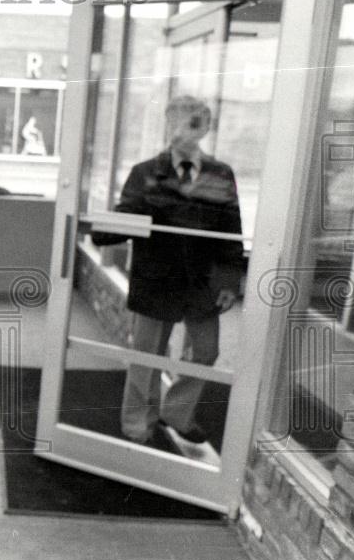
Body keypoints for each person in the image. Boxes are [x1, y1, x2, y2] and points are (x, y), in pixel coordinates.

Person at [91, 95, 245, 446]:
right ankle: (136, 424)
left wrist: (229, 280)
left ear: (206, 128)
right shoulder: (146, 172)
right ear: (168, 123)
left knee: (205, 352)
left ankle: (176, 413)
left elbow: (231, 229)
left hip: (201, 282)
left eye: (197, 123)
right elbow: (125, 216)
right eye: (182, 121)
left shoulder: (221, 174)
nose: (189, 130)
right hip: (156, 279)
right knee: (145, 358)